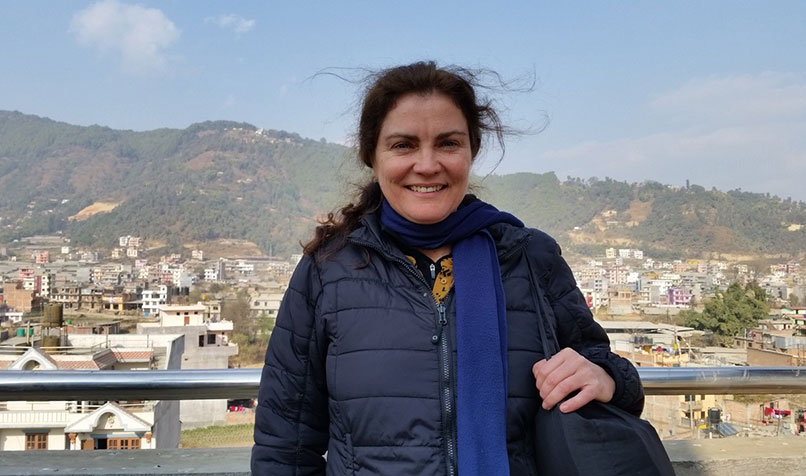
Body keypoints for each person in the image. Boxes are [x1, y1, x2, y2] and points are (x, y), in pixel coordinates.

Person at [251, 61, 644, 475]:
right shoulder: (329, 269)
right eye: (403, 145)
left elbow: (606, 368)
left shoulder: (529, 256)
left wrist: (606, 377)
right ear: (373, 156)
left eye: (448, 143)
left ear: (471, 151)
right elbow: (285, 443)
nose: (427, 164)